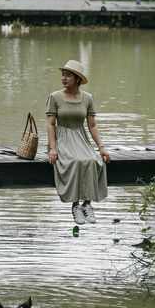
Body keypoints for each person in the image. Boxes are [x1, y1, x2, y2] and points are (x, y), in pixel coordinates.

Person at [46, 59, 111, 225]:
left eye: (68, 75)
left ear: (77, 79)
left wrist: (101, 148)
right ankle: (75, 206)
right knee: (75, 161)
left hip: (81, 137)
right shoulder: (55, 97)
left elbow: (92, 125)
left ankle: (87, 205)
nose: (64, 78)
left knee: (93, 161)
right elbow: (51, 124)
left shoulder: (88, 98)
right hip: (62, 138)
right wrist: (53, 149)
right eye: (63, 75)